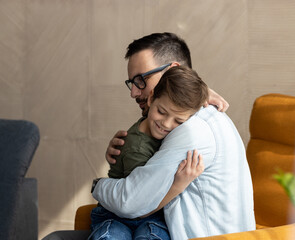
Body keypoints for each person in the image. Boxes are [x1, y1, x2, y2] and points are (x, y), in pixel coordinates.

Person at [42, 32, 255, 240]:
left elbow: (131, 201)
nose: (134, 92)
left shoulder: (192, 129)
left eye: (141, 80)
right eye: (131, 83)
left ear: (173, 70)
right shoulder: (194, 117)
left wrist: (99, 186)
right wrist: (126, 154)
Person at [88, 66, 209, 240]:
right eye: (161, 112)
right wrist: (178, 185)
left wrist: (207, 97)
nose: (166, 124)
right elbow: (137, 207)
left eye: (179, 121)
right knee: (110, 236)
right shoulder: (137, 147)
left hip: (151, 217)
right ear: (151, 98)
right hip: (119, 215)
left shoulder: (169, 131)